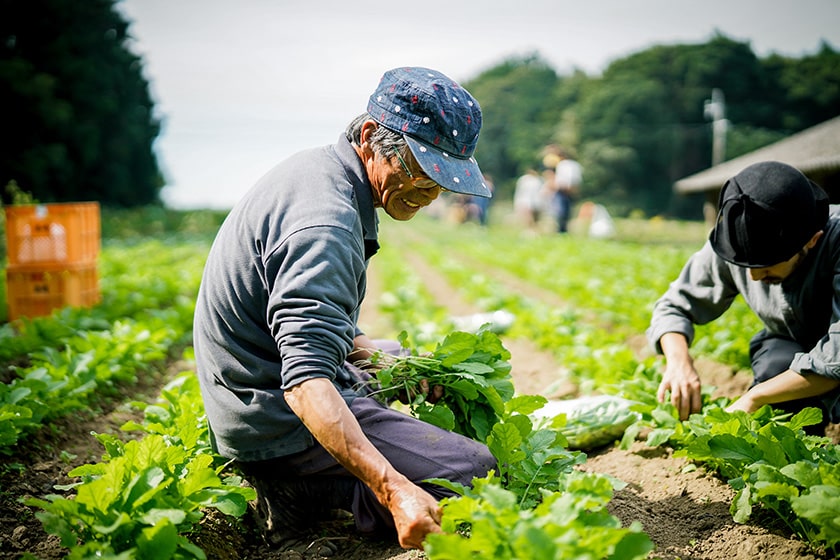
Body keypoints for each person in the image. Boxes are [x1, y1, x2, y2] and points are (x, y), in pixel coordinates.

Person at [193, 67, 497, 551]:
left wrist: (382, 360)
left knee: (395, 354)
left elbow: (319, 326)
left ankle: (328, 471)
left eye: (443, 181)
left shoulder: (324, 172)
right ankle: (305, 489)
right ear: (373, 136)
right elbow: (307, 382)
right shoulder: (326, 223)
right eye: (422, 172)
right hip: (271, 419)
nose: (432, 194)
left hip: (255, 392)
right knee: (473, 474)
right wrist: (393, 489)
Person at [647, 161, 840, 429]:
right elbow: (673, 306)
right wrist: (678, 362)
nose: (753, 277)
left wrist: (754, 397)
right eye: (745, 267)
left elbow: (836, 359)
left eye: (766, 266)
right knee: (777, 365)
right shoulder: (735, 244)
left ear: (812, 240)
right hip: (791, 344)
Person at [543, 145, 582, 233]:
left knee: (560, 214)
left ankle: (561, 231)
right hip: (569, 191)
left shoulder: (563, 165)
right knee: (565, 214)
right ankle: (562, 231)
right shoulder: (574, 165)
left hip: (562, 191)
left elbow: (561, 182)